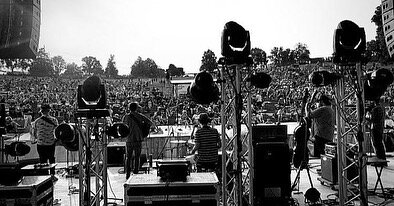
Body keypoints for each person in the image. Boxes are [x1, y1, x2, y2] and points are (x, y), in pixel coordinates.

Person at [122, 102, 153, 179]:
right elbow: (150, 122)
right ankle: (136, 172)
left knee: (128, 157)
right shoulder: (139, 116)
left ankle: (127, 173)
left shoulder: (126, 117)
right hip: (138, 139)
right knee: (137, 156)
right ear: (136, 108)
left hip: (129, 139)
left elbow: (122, 127)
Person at [32, 104, 58, 174]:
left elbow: (34, 133)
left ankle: (44, 176)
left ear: (41, 111)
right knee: (51, 159)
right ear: (49, 111)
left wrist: (39, 138)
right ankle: (52, 174)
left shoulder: (37, 121)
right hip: (50, 143)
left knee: (42, 160)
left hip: (40, 144)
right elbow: (56, 132)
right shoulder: (54, 120)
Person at [369, 98, 387, 162]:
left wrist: (368, 116)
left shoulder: (375, 109)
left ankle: (379, 159)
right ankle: (382, 159)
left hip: (375, 128)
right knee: (380, 144)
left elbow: (372, 119)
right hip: (380, 128)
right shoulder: (382, 109)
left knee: (376, 144)